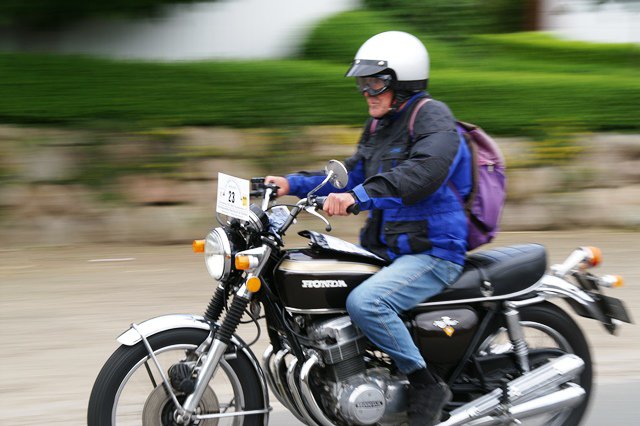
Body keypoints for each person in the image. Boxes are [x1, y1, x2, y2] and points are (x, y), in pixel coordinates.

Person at [266, 31, 472, 426]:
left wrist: (358, 197)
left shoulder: (432, 116)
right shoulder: (379, 126)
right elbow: (351, 173)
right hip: (390, 249)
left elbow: (422, 174)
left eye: (375, 83)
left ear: (403, 80)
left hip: (432, 250)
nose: (366, 92)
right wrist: (290, 184)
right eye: (362, 83)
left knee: (367, 303)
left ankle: (426, 384)